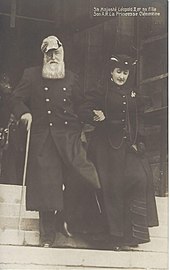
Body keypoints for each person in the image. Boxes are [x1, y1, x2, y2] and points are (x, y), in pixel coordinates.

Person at [10, 35, 101, 248]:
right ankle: (47, 236)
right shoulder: (31, 75)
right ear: (43, 55)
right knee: (46, 187)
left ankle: (72, 220)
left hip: (69, 137)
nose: (53, 57)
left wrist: (91, 115)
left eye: (56, 53)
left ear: (62, 54)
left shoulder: (72, 78)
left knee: (86, 176)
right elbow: (14, 99)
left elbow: (80, 105)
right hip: (44, 139)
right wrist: (24, 113)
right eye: (49, 53)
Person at [80, 53, 159, 250]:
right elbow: (83, 109)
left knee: (139, 179)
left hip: (127, 148)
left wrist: (138, 138)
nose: (122, 77)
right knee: (112, 189)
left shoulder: (133, 92)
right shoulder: (101, 91)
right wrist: (95, 115)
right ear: (111, 72)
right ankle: (113, 238)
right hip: (105, 149)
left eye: (125, 73)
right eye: (118, 72)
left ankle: (132, 235)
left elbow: (142, 109)